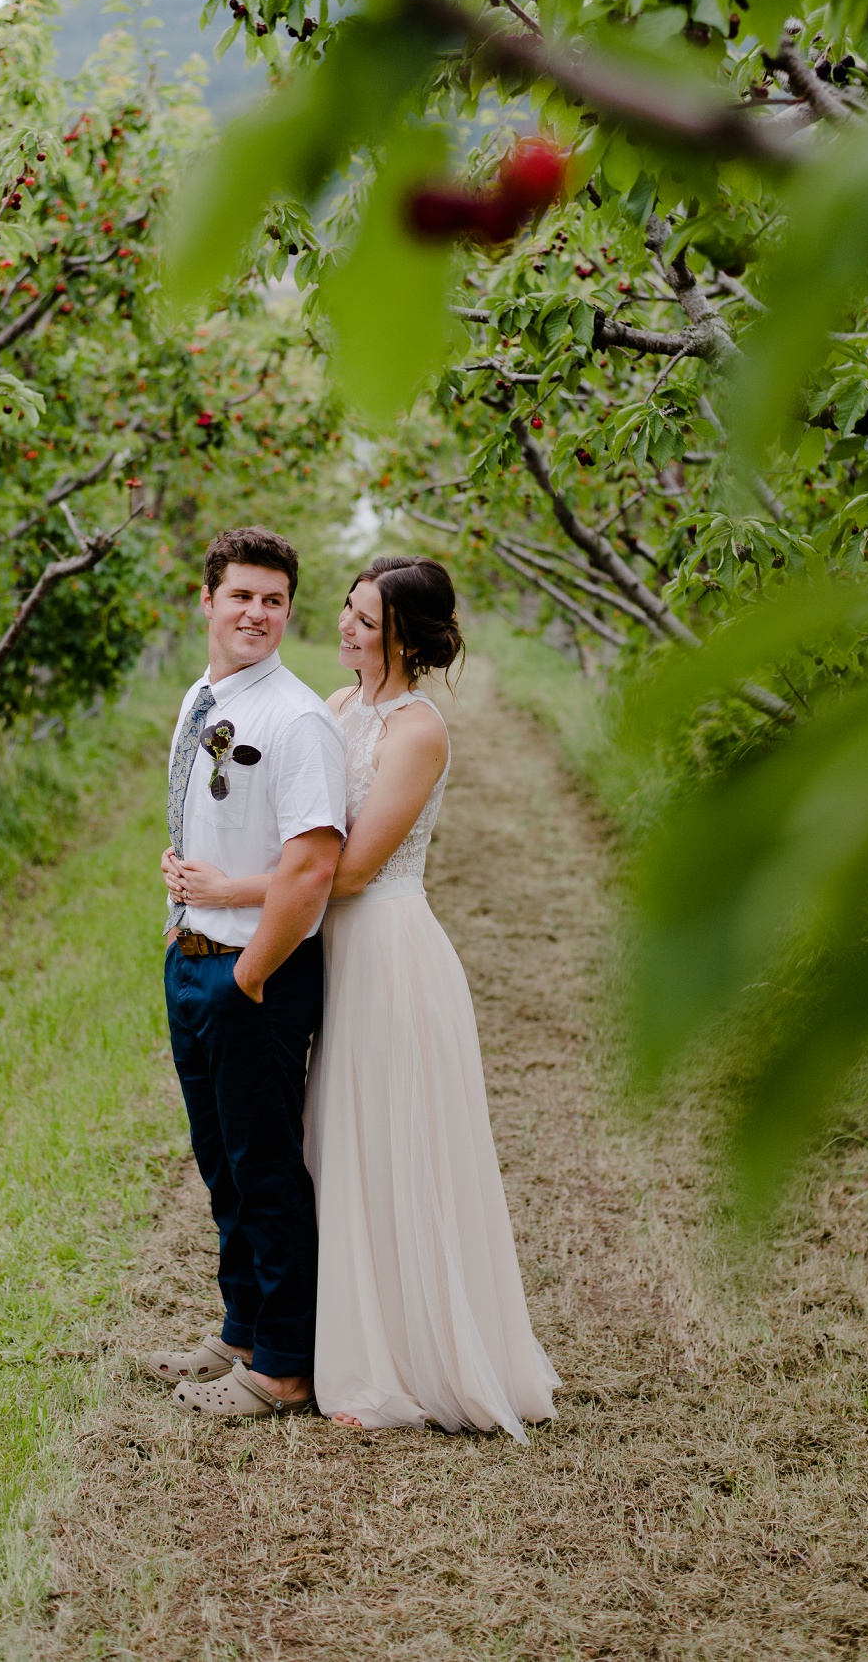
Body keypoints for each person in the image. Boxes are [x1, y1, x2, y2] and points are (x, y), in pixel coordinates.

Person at [174, 555, 558, 1439]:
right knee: (322, 1145)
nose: (345, 627)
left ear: (404, 636)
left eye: (365, 618)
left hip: (385, 946)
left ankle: (403, 1362)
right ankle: (315, 1336)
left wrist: (232, 889)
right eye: (346, 610)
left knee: (388, 1143)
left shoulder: (418, 731)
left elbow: (348, 868)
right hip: (323, 942)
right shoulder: (337, 708)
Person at [143, 526, 347, 1420]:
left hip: (251, 974)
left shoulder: (297, 718)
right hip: (192, 955)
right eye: (242, 595)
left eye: (273, 599)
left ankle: (284, 1365)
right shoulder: (204, 693)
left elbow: (311, 869)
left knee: (265, 1168)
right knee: (221, 1163)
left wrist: (249, 974)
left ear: (289, 610)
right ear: (207, 599)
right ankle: (239, 1326)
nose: (257, 612)